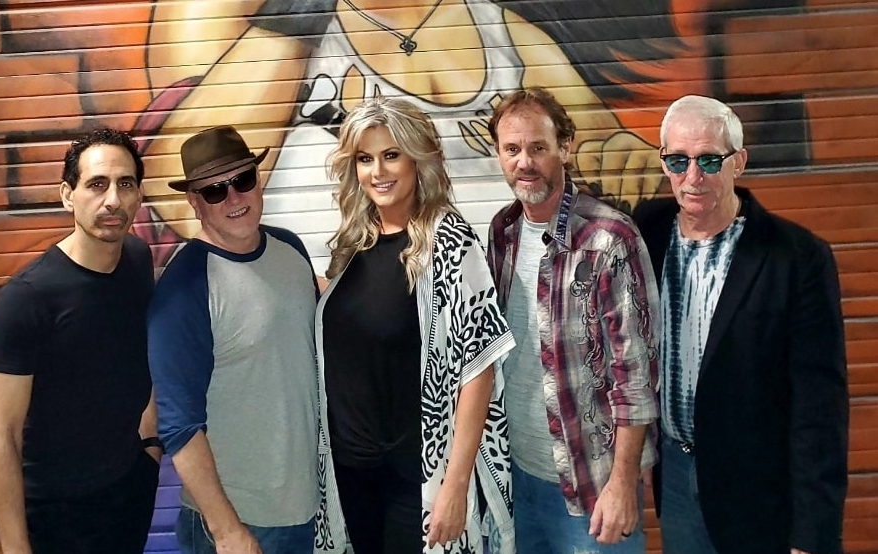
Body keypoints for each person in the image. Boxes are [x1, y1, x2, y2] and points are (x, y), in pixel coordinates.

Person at [136, 0, 672, 271]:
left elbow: (599, 143)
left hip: (477, 323)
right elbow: (173, 190)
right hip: (333, 323)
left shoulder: (501, 30)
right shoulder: (297, 31)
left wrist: (622, 158)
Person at [632, 95, 849, 554]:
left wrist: (812, 535)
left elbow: (819, 408)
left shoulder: (797, 257)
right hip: (674, 475)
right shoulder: (644, 232)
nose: (692, 178)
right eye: (678, 160)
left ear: (739, 163)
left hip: (761, 494)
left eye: (710, 160)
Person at [317, 97, 516, 553]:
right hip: (353, 472)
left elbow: (479, 369)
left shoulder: (448, 240)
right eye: (365, 159)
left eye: (391, 155)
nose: (378, 172)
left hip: (417, 477)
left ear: (417, 159)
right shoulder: (352, 243)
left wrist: (455, 484)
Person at [146, 125, 338, 554]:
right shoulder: (185, 287)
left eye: (242, 180)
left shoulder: (291, 250)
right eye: (214, 190)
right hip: (239, 526)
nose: (234, 198)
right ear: (195, 203)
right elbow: (179, 425)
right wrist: (227, 530)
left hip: (308, 511)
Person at [486, 87, 661, 553]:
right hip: (519, 478)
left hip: (592, 487)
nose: (525, 162)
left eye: (538, 147)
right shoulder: (501, 233)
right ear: (498, 154)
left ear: (565, 147)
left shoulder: (609, 238)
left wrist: (623, 484)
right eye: (512, 149)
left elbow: (637, 376)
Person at [0, 128, 159, 554]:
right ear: (67, 195)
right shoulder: (27, 299)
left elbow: (140, 356)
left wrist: (149, 451)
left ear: (138, 195)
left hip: (125, 496)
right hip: (54, 518)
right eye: (97, 185)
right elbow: (0, 435)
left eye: (125, 184)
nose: (112, 199)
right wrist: (15, 548)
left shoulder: (137, 259)